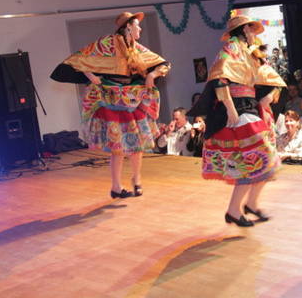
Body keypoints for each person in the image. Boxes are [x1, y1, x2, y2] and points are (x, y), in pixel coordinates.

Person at [50, 12, 170, 198]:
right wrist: (91, 76)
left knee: (137, 146)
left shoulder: (136, 48)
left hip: (132, 104)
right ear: (128, 26)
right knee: (118, 149)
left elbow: (163, 64)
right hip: (113, 105)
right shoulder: (106, 44)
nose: (140, 29)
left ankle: (136, 180)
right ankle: (116, 187)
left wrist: (152, 75)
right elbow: (79, 59)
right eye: (137, 25)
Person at [188, 15, 286, 227]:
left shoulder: (251, 53)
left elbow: (273, 80)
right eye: (252, 30)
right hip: (238, 110)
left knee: (264, 160)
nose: (255, 34)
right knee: (259, 157)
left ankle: (249, 204)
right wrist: (230, 108)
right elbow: (220, 79)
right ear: (244, 30)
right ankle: (237, 209)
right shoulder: (230, 49)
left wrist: (271, 96)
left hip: (250, 108)